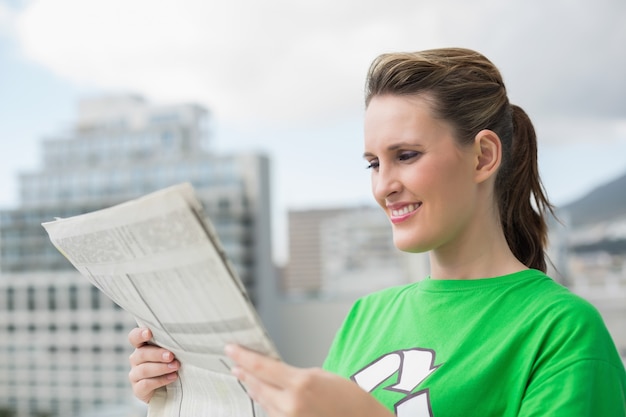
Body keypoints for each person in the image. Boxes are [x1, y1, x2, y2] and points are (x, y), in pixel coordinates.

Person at [128, 47, 626, 416]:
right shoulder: (367, 317)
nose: (384, 186)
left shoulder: (560, 330)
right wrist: (179, 394)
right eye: (372, 163)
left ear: (483, 156)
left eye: (406, 155)